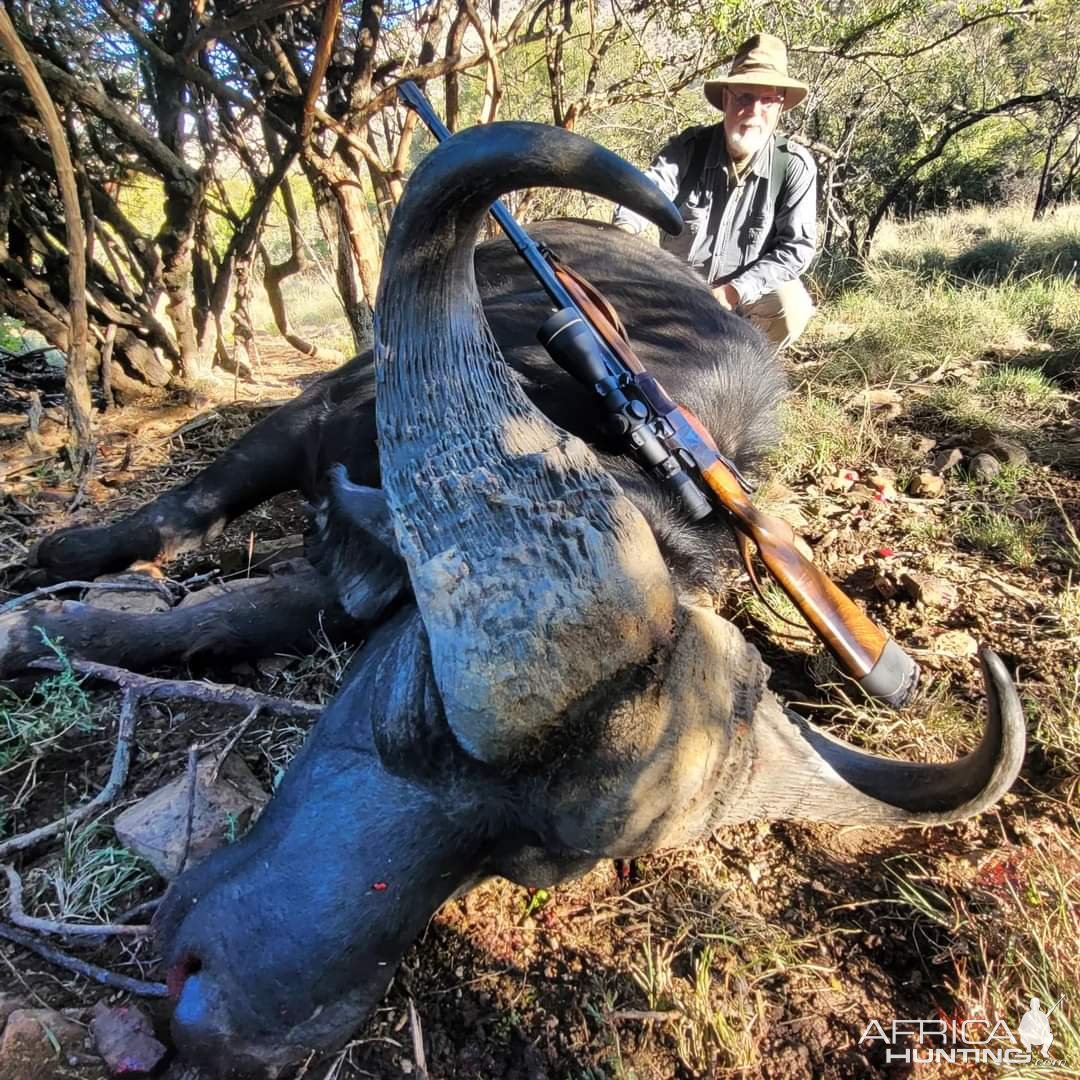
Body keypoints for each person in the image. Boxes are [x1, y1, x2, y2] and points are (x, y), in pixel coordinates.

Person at [613, 33, 817, 350]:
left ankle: (745, 359)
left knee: (792, 307)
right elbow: (644, 194)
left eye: (768, 101)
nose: (754, 111)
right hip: (678, 294)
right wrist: (622, 233)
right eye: (745, 97)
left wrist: (734, 291)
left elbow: (796, 250)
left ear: (780, 108)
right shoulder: (687, 151)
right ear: (726, 100)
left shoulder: (793, 166)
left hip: (743, 300)